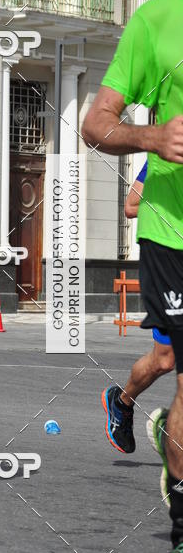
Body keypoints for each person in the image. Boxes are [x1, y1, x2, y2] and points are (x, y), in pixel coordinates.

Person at [82, 0, 183, 553]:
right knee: (174, 358)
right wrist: (153, 140)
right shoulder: (157, 21)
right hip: (174, 236)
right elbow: (98, 123)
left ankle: (143, 411)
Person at [101, 159, 175, 453]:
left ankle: (173, 434)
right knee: (165, 359)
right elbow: (131, 206)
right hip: (169, 266)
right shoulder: (165, 154)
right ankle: (122, 402)